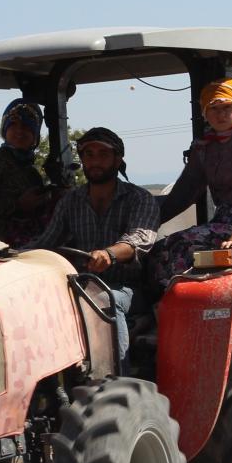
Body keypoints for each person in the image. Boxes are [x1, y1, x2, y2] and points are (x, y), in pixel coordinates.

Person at [29, 127, 159, 372]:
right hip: (80, 285)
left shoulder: (139, 198)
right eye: (88, 155)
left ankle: (114, 379)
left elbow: (139, 239)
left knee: (104, 299)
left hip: (128, 290)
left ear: (118, 159)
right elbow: (45, 242)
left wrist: (109, 254)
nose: (95, 161)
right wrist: (9, 257)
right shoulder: (71, 201)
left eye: (103, 154)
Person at [152, 78, 232, 290]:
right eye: (214, 108)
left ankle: (178, 298)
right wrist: (150, 222)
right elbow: (185, 191)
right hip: (224, 222)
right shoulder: (204, 146)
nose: (220, 114)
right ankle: (164, 304)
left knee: (179, 246)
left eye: (226, 107)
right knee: (159, 248)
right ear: (205, 113)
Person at [0, 100, 61, 247]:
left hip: (27, 249)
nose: (19, 131)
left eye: (26, 127)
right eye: (13, 125)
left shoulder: (31, 172)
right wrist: (17, 205)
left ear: (34, 135)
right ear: (5, 130)